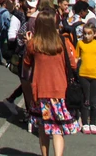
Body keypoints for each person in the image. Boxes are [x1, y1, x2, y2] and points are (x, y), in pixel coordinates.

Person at [23, 9, 81, 156]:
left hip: (40, 92)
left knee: (43, 128)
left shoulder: (33, 44)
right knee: (57, 129)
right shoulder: (63, 41)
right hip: (60, 90)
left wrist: (27, 43)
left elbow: (26, 66)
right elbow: (73, 65)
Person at [75, 22, 96, 134]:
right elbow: (76, 58)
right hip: (83, 74)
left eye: (89, 34)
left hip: (95, 75)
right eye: (85, 34)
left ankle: (93, 122)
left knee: (94, 101)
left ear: (94, 34)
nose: (86, 36)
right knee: (85, 100)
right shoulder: (80, 44)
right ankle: (85, 123)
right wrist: (74, 70)